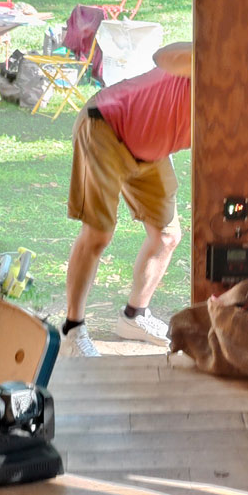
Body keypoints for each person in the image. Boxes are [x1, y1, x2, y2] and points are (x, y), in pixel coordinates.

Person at [62, 41, 192, 356]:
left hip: (150, 150)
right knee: (98, 235)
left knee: (167, 236)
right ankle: (72, 330)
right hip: (106, 124)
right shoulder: (201, 64)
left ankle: (134, 316)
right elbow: (161, 56)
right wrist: (211, 54)